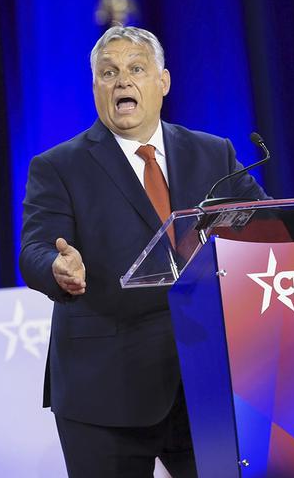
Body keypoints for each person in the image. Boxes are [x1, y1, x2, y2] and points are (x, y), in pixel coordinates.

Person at [19, 25, 266, 477]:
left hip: (203, 383)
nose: (122, 82)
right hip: (104, 394)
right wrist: (57, 267)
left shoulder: (214, 153)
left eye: (136, 69)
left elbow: (265, 227)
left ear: (163, 81)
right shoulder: (58, 166)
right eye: (108, 73)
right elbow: (34, 249)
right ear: (95, 87)